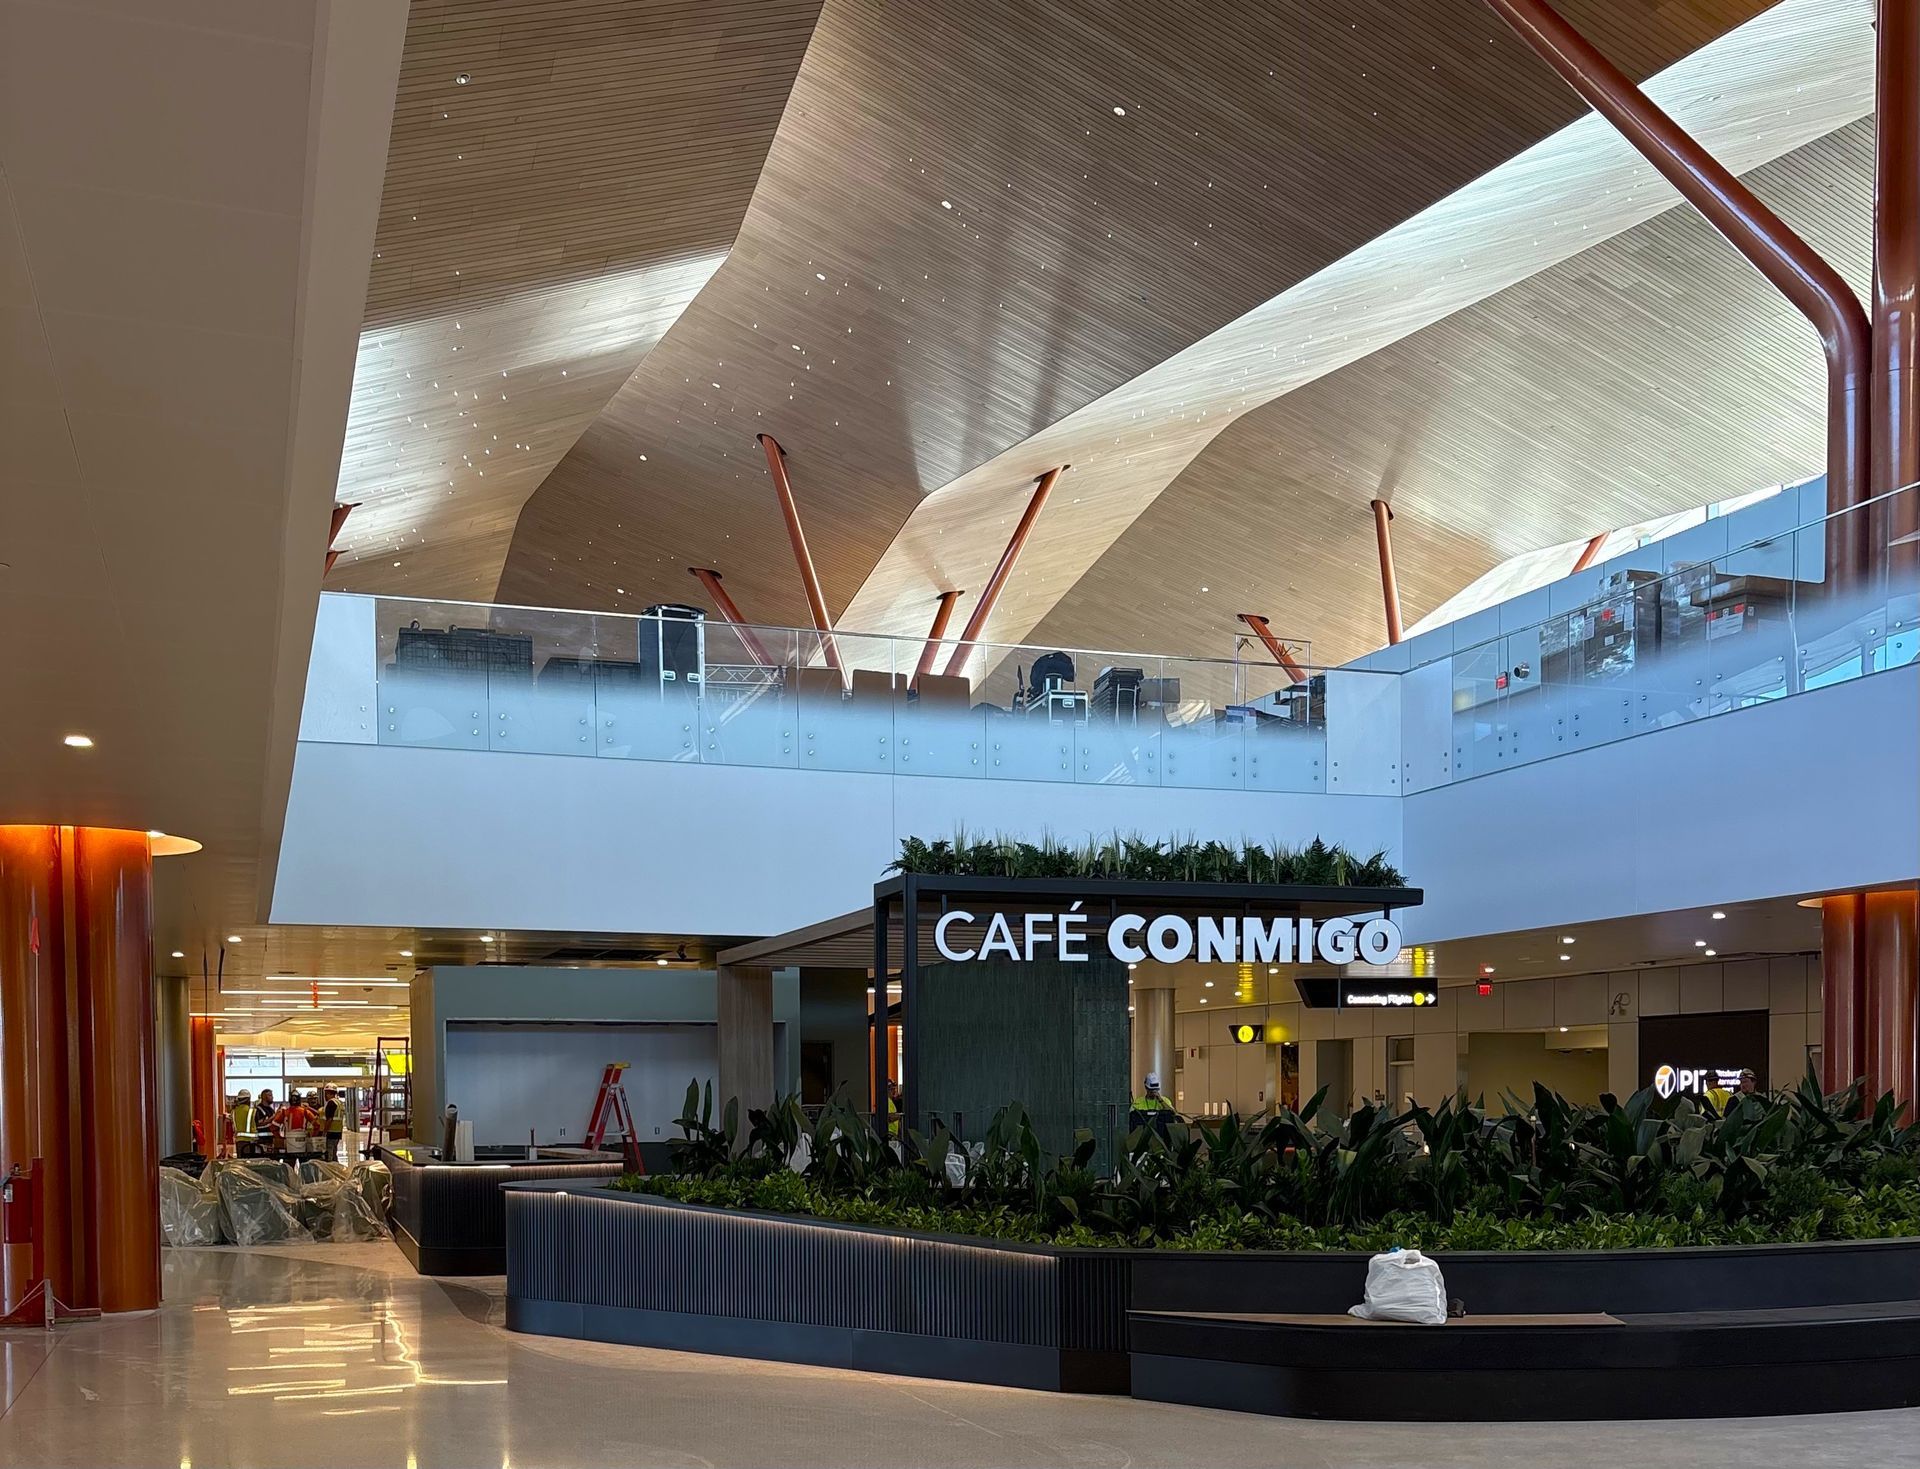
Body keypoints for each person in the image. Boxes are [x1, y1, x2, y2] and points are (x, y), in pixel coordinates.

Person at [1130, 1072, 1175, 1139]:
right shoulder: (1138, 1102)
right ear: (1146, 1087)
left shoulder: (1165, 1101)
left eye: (1156, 1090)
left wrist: (1160, 1100)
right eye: (1151, 1090)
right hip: (1142, 1137)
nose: (1153, 1092)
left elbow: (1173, 1113)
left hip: (1162, 1138)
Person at [322, 1086, 345, 1162]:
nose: (325, 1096)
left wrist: (325, 1131)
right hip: (338, 1131)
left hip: (331, 1131)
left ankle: (330, 1169)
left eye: (326, 1094)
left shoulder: (331, 1103)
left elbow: (329, 1119)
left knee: (329, 1153)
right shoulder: (339, 1103)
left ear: (329, 1093)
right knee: (334, 1151)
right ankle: (335, 1168)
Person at [230, 1090, 254, 1157]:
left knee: (241, 1162)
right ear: (248, 1099)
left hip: (239, 1141)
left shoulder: (234, 1112)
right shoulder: (251, 1111)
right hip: (251, 1141)